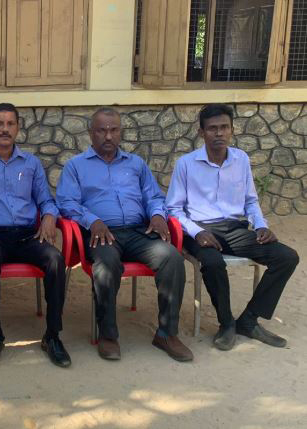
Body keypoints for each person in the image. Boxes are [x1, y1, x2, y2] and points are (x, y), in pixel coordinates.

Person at [56, 107, 192, 362]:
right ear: (91, 133)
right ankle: (108, 335)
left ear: (120, 132)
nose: (108, 136)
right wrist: (93, 221)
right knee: (106, 263)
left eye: (114, 130)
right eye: (101, 130)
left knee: (172, 258)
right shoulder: (76, 166)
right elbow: (66, 203)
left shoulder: (136, 164)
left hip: (139, 231)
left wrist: (157, 215)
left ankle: (167, 333)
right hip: (101, 234)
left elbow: (153, 196)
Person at [166, 103, 299, 350]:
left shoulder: (241, 159)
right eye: (212, 128)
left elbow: (250, 201)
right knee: (212, 262)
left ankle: (248, 320)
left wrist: (261, 225)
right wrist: (198, 232)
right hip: (199, 229)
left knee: (286, 257)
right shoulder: (186, 164)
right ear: (201, 132)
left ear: (232, 130)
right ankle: (226, 323)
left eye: (224, 127)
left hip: (234, 229)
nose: (219, 133)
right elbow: (173, 209)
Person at [0, 103, 71, 368]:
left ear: (18, 128)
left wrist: (49, 215)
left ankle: (52, 335)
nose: (5, 129)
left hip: (28, 236)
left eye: (10, 124)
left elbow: (46, 200)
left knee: (55, 260)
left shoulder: (31, 163)